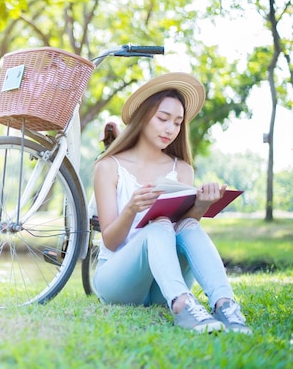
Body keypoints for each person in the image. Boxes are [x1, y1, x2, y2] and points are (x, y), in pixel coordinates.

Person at [92, 72, 252, 334]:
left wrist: (201, 205)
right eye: (163, 119)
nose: (170, 129)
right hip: (118, 281)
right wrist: (132, 208)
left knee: (188, 226)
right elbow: (110, 241)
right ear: (144, 117)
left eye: (177, 123)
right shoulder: (109, 167)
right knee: (158, 225)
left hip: (162, 285)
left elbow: (183, 233)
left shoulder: (182, 169)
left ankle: (225, 306)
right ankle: (183, 307)